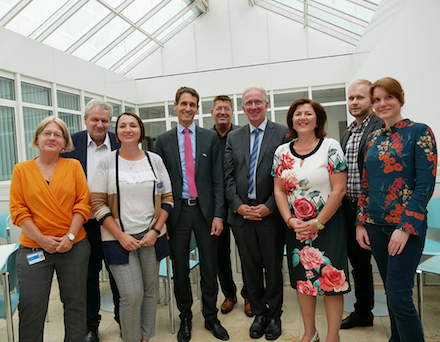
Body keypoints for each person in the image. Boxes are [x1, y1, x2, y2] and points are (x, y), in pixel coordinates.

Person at [356, 77, 437, 342]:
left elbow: (425, 186)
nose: (382, 104)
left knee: (400, 296)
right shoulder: (372, 139)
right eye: (377, 99)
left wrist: (404, 228)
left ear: (400, 97)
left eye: (387, 97)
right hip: (376, 227)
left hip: (405, 228)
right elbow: (365, 184)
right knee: (392, 294)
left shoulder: (420, 132)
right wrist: (361, 222)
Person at [91, 112, 173, 342]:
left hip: (151, 236)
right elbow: (97, 203)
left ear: (141, 131)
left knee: (150, 292)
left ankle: (145, 338)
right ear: (116, 133)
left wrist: (155, 231)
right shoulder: (107, 162)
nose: (128, 129)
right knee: (130, 295)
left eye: (133, 125)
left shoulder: (154, 160)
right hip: (117, 238)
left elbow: (167, 198)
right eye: (122, 126)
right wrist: (120, 236)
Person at [273, 98, 350, 342]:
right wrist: (289, 220)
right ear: (291, 120)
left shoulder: (331, 146)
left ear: (317, 119)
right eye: (298, 114)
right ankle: (310, 332)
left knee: (331, 282)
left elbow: (339, 190)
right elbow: (279, 191)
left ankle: (332, 336)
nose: (303, 118)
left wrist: (318, 222)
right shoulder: (282, 151)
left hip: (328, 226)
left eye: (308, 113)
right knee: (303, 283)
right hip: (296, 228)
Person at [155, 87, 229, 342]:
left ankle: (211, 317)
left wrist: (219, 215)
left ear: (197, 108)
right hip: (176, 215)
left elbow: (218, 180)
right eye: (183, 103)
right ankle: (185, 317)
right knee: (180, 270)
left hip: (205, 213)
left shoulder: (209, 138)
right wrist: (160, 223)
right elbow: (159, 185)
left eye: (193, 104)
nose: (188, 108)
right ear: (175, 106)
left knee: (210, 267)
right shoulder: (162, 141)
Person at [9, 116, 91, 342]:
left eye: (58, 134)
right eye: (47, 133)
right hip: (33, 248)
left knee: (75, 304)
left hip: (73, 247)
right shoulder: (21, 170)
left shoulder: (73, 166)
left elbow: (82, 204)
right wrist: (42, 240)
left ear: (65, 142)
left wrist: (71, 236)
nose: (52, 138)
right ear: (37, 138)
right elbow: (18, 210)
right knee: (31, 307)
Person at [224, 86, 288, 340]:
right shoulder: (234, 136)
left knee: (272, 268)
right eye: (248, 103)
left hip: (270, 214)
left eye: (257, 102)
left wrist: (270, 206)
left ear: (266, 104)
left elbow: (286, 175)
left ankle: (274, 315)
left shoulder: (282, 133)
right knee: (249, 268)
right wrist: (238, 206)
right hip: (241, 215)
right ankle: (259, 313)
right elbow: (227, 176)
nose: (253, 107)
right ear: (243, 107)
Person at [61, 98, 120, 342]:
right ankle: (91, 326)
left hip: (116, 224)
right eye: (94, 119)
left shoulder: (120, 141)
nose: (99, 124)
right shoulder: (70, 144)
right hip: (83, 224)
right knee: (88, 276)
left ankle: (123, 320)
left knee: (119, 273)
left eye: (104, 120)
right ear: (85, 120)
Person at [340, 80, 384, 329]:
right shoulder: (347, 133)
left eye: (360, 98)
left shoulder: (381, 127)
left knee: (386, 267)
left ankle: (400, 319)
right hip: (349, 209)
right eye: (350, 98)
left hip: (376, 211)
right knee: (359, 266)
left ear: (371, 100)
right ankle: (363, 312)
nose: (354, 102)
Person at [210, 95, 252, 316]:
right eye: (219, 108)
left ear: (233, 112)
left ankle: (249, 295)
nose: (222, 112)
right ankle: (229, 294)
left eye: (226, 108)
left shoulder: (242, 136)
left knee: (246, 254)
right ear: (212, 112)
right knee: (220, 255)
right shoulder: (206, 138)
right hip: (216, 207)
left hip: (239, 203)